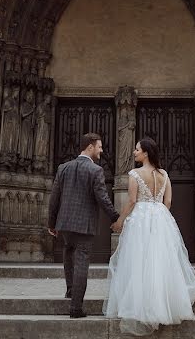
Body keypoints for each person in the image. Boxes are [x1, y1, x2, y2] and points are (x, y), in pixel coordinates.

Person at [104, 138, 195, 335]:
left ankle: (142, 305)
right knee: (160, 261)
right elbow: (168, 202)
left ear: (146, 153)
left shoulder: (135, 174)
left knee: (140, 260)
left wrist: (120, 220)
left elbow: (131, 201)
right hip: (160, 216)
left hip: (141, 218)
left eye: (137, 149)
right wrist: (158, 214)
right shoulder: (164, 174)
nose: (134, 152)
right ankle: (163, 306)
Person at [48, 133, 120, 319]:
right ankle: (76, 307)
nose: (101, 150)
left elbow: (54, 198)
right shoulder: (95, 170)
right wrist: (115, 217)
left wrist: (52, 223)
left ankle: (71, 290)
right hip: (83, 224)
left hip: (64, 223)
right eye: (99, 147)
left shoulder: (63, 168)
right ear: (90, 147)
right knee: (81, 262)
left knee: (68, 252)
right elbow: (102, 198)